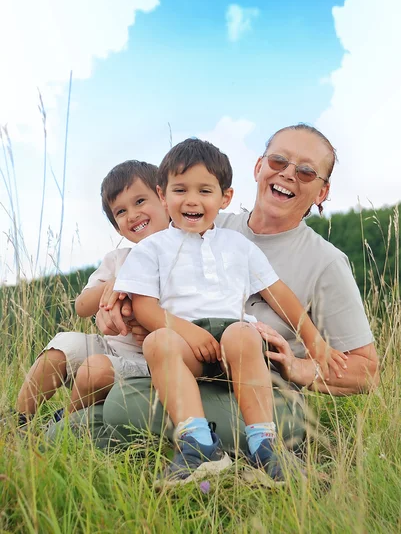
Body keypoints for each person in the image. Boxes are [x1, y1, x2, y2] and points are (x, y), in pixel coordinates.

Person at [55, 124, 379, 482]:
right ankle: (206, 450)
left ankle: (256, 450)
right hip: (184, 362)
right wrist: (118, 296)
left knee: (119, 407)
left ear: (323, 190)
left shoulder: (322, 261)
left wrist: (305, 365)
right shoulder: (210, 223)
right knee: (82, 421)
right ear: (259, 167)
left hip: (258, 382)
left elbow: (365, 370)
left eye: (305, 171)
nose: (288, 173)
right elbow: (148, 257)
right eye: (279, 160)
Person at [113, 138, 347, 485]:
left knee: (241, 332)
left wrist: (314, 341)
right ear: (163, 196)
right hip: (185, 341)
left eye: (204, 191)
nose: (192, 200)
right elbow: (145, 307)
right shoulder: (152, 248)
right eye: (180, 190)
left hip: (238, 348)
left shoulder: (238, 245)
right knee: (157, 342)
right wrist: (188, 333)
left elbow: (278, 293)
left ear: (225, 198)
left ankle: (265, 446)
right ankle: (198, 446)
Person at [15, 160, 169, 423]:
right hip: (109, 346)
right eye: (120, 211)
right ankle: (19, 419)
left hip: (150, 362)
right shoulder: (119, 259)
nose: (132, 214)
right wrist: (117, 280)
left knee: (94, 370)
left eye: (140, 201)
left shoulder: (182, 258)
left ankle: (64, 424)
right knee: (60, 349)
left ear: (164, 199)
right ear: (116, 226)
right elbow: (82, 306)